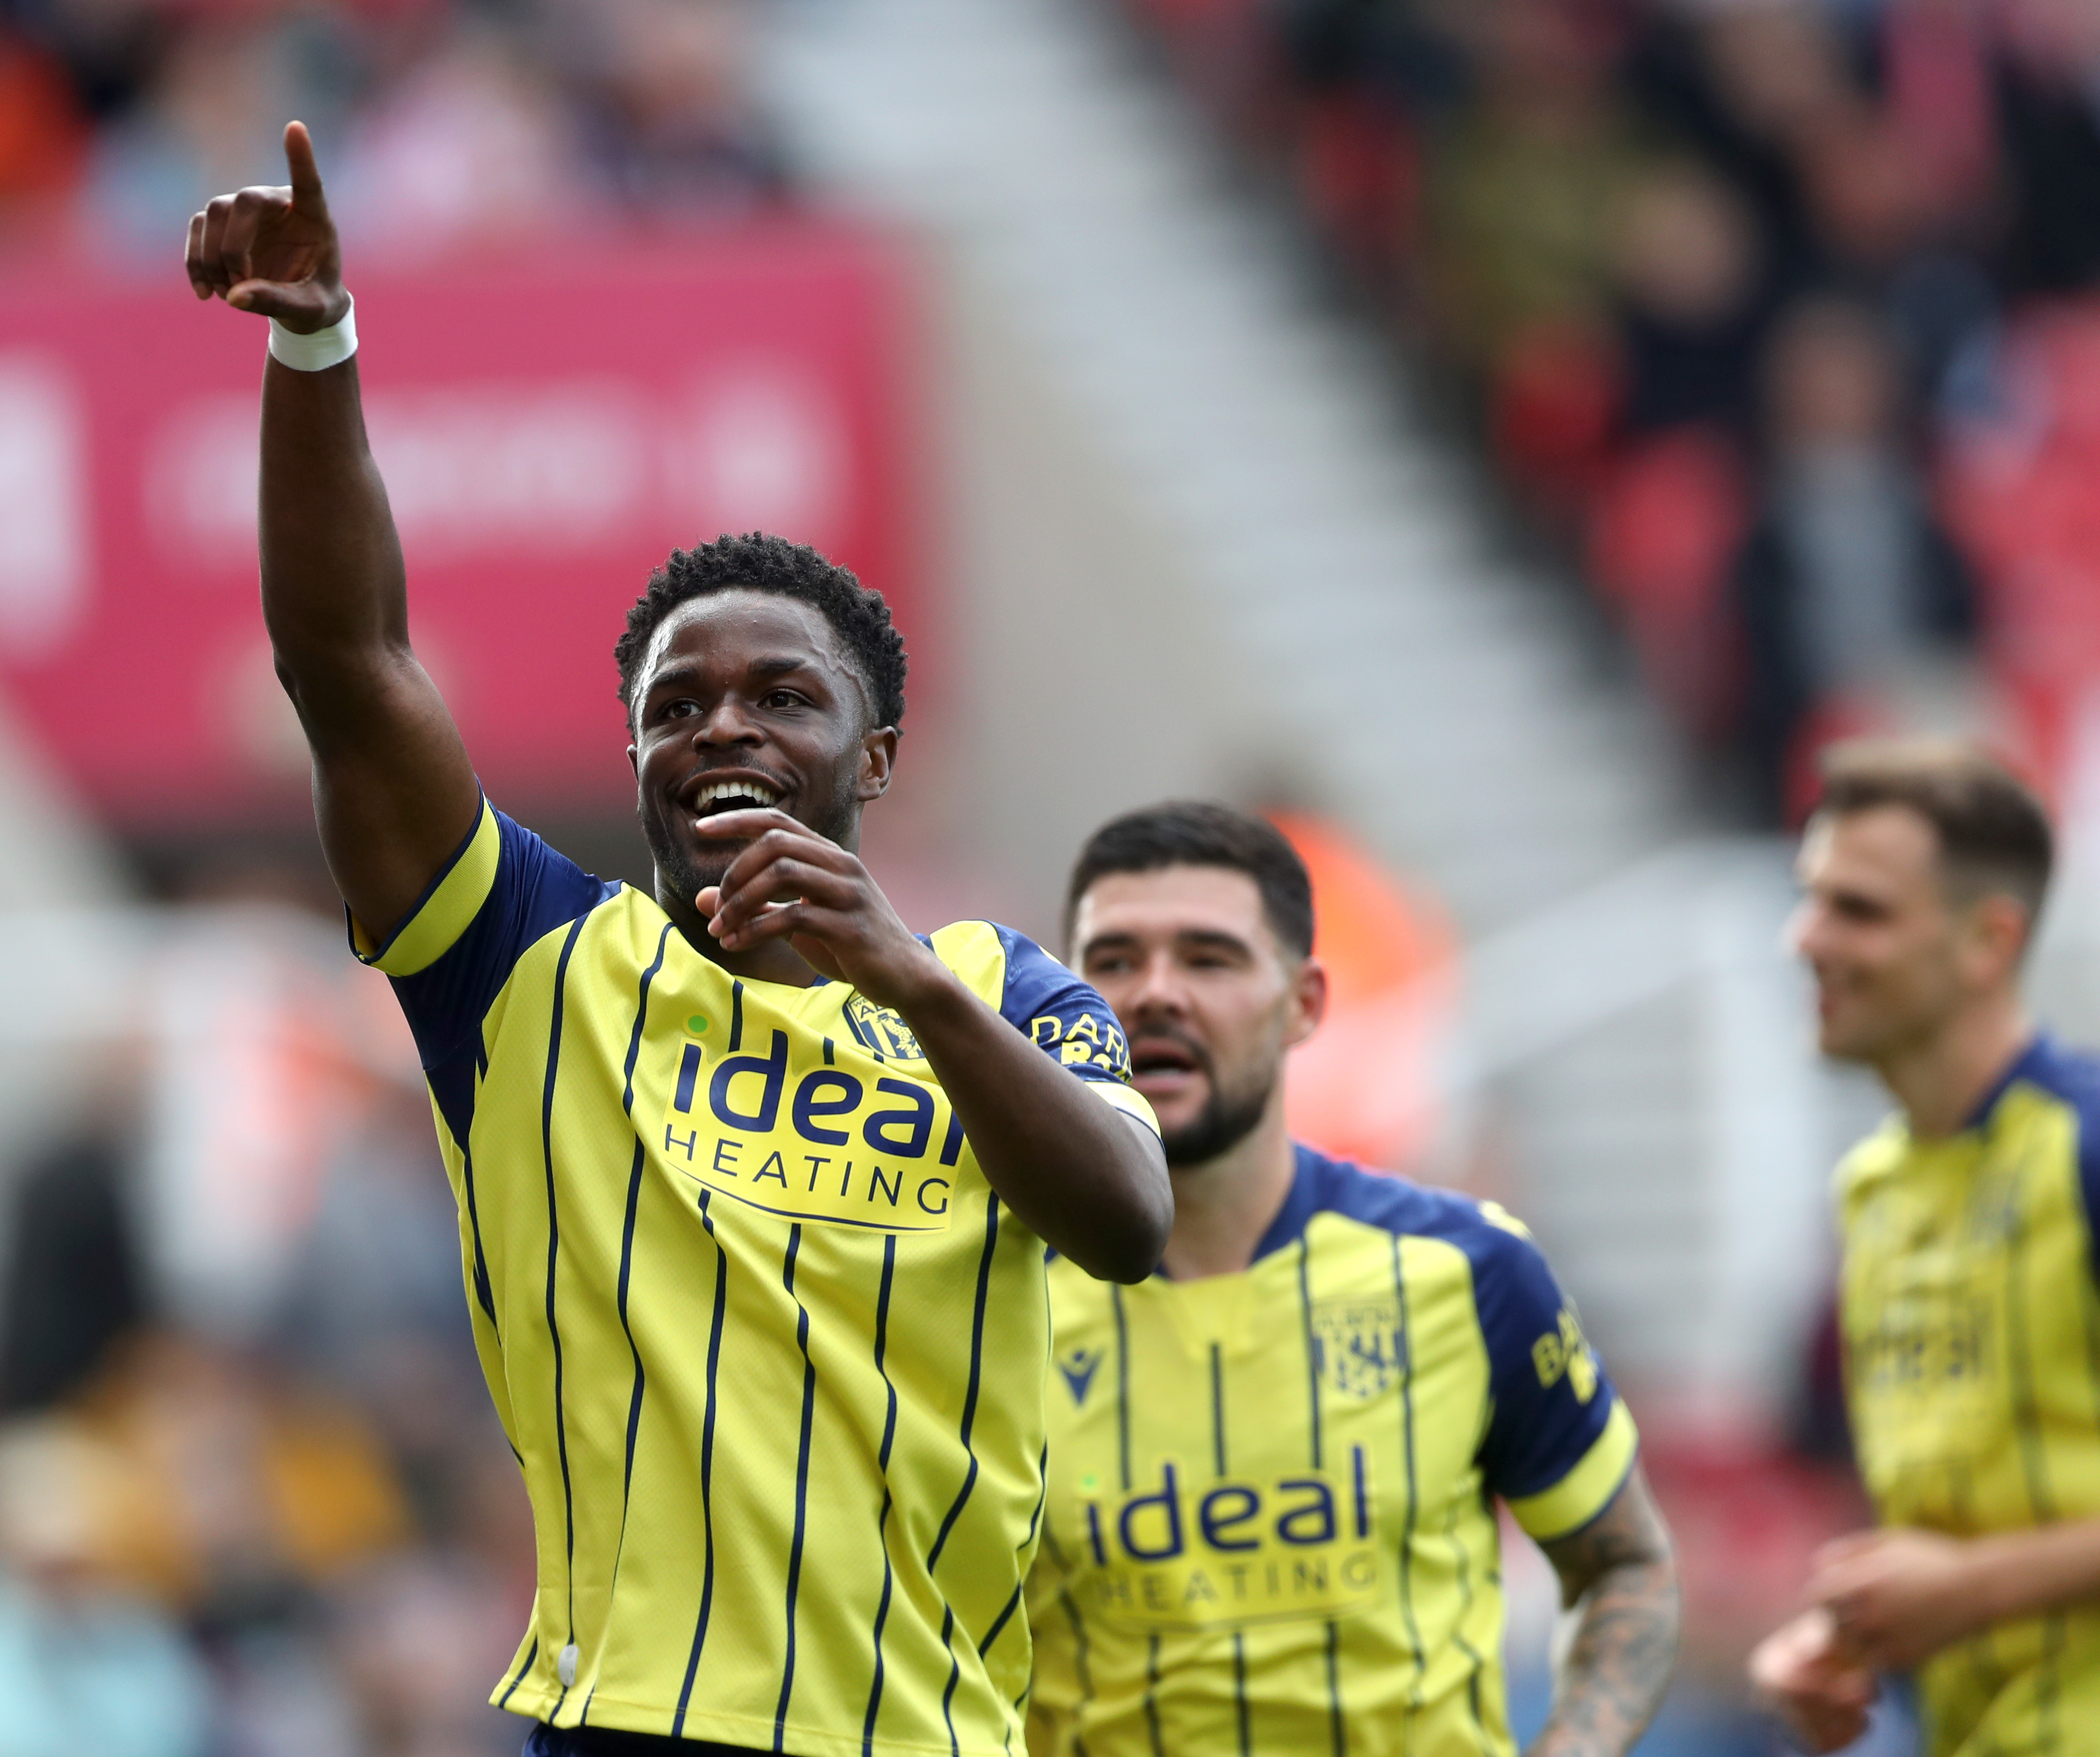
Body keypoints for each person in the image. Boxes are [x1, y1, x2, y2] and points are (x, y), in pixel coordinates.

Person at [182, 122, 1172, 1757]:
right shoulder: (525, 967)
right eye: (676, 706)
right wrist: (315, 339)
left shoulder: (1002, 992)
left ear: (874, 758)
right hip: (625, 1724)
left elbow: (1129, 1219)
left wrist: (907, 976)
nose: (723, 729)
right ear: (634, 756)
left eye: (783, 698)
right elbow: (349, 673)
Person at [1028, 803, 1680, 1757]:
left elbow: (1628, 1566)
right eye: (1115, 961)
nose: (1157, 993)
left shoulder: (1469, 1272)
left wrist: (1572, 1745)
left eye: (1209, 959)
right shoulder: (993, 1294)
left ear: (1305, 1004)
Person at [1751, 741, 2100, 1755]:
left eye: (1857, 910)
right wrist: (1837, 1639)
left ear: (1988, 941)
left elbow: (1970, 1577)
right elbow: (1942, 1542)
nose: (1804, 939)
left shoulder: (2082, 1152)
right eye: (1808, 898)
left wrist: (1969, 1591)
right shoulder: (1871, 1193)